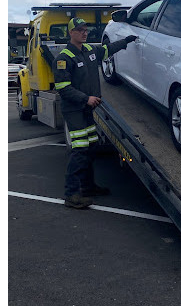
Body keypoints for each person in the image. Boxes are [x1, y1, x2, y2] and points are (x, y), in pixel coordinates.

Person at [52, 17, 136, 209]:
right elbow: (64, 89)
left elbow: (107, 50)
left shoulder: (90, 50)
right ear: (71, 33)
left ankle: (88, 187)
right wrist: (85, 99)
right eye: (80, 30)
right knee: (80, 150)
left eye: (86, 30)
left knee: (90, 149)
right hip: (75, 110)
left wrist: (126, 42)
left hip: (88, 109)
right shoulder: (63, 58)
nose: (84, 32)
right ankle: (71, 194)